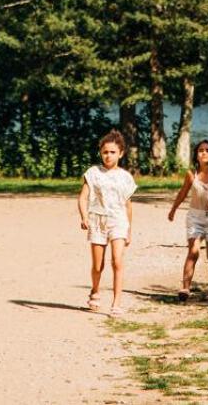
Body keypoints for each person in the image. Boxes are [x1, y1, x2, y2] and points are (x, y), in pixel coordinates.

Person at [77, 128, 136, 316]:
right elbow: (83, 198)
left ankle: (116, 303)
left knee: (117, 261)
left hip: (118, 220)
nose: (108, 156)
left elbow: (128, 205)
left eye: (112, 152)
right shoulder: (93, 173)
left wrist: (129, 230)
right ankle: (95, 290)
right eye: (105, 152)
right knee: (97, 265)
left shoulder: (126, 177)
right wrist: (84, 216)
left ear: (121, 153)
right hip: (97, 220)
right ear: (100, 153)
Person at [166, 138, 208, 302]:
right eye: (201, 150)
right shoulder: (191, 174)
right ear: (196, 156)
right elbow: (183, 193)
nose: (204, 153)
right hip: (194, 216)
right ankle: (185, 287)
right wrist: (173, 209)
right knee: (193, 251)